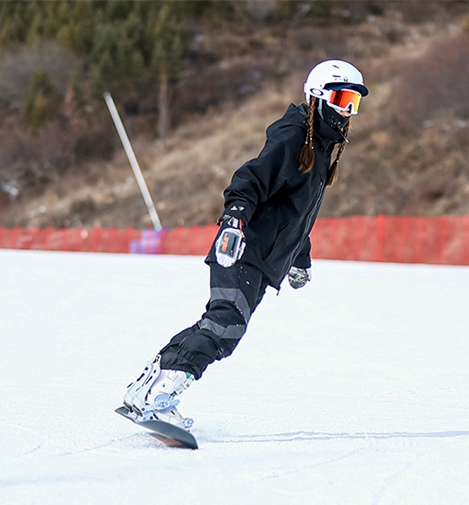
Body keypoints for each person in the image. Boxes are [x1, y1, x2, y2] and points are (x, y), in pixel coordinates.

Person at [122, 59, 369, 429]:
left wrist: (300, 258)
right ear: (317, 97)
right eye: (340, 98)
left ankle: (147, 389)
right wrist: (234, 222)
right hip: (241, 247)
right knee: (225, 328)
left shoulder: (318, 150)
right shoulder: (294, 137)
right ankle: (161, 395)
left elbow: (295, 214)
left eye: (354, 102)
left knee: (218, 324)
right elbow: (248, 181)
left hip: (262, 260)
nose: (346, 110)